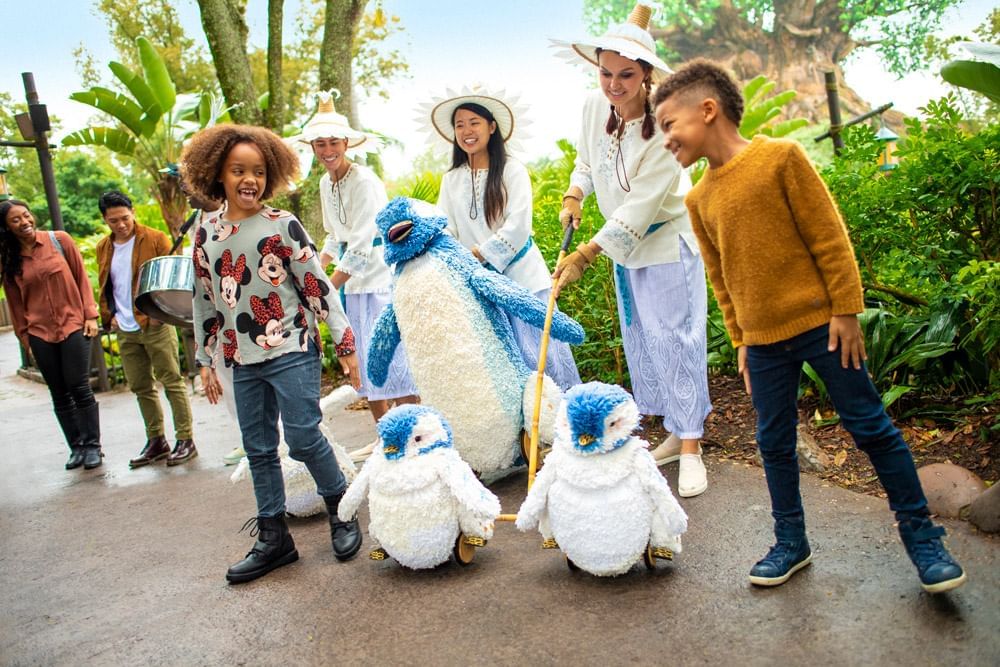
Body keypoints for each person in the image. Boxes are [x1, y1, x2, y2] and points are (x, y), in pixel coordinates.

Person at [652, 59, 966, 593]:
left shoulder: (780, 159)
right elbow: (720, 278)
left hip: (822, 326)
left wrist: (845, 310)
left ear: (708, 111)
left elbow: (829, 238)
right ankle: (791, 542)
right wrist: (741, 341)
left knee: (871, 427)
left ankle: (923, 539)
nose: (665, 140)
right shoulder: (698, 198)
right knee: (773, 442)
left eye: (668, 125)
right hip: (764, 344)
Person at [181, 123, 363, 583]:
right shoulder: (206, 235)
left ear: (270, 175)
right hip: (242, 359)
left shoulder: (281, 225)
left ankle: (341, 507)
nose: (250, 179)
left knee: (302, 437)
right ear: (217, 174)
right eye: (238, 170)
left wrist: (343, 343)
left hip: (292, 346)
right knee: (259, 449)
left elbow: (316, 286)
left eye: (259, 171)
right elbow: (205, 301)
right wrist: (205, 361)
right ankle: (273, 538)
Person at [550, 3, 712, 496]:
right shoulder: (593, 107)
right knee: (643, 337)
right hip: (625, 250)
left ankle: (692, 446)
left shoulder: (669, 131)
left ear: (646, 77)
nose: (613, 85)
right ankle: (674, 429)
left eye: (626, 75)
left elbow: (638, 210)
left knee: (676, 337)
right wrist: (575, 193)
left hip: (664, 241)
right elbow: (587, 160)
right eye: (605, 73)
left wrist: (583, 256)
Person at [429, 86, 581, 391]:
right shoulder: (451, 179)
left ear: (492, 127)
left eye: (474, 122)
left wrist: (479, 255)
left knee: (542, 360)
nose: (466, 131)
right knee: (505, 370)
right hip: (481, 288)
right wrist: (460, 262)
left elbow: (518, 226)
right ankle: (524, 437)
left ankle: (567, 426)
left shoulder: (512, 170)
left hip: (523, 279)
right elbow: (445, 230)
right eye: (459, 125)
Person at [301, 92, 420, 462]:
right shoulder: (326, 184)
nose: (327, 149)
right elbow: (334, 237)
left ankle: (415, 433)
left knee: (394, 358)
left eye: (334, 142)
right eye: (320, 144)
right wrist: (313, 275)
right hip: (351, 286)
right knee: (366, 362)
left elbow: (362, 243)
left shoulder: (364, 180)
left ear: (347, 143)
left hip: (379, 278)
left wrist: (324, 290)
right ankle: (386, 436)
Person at [95, 191, 197, 468]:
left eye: (125, 218)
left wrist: (159, 313)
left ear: (133, 212)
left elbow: (173, 275)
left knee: (171, 380)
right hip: (125, 326)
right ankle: (156, 440)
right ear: (105, 219)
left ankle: (186, 439)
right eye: (113, 220)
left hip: (154, 322)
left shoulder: (154, 238)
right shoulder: (104, 247)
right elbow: (108, 286)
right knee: (141, 386)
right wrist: (111, 315)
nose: (121, 225)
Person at [1, 199, 103, 470]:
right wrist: (26, 338)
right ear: (7, 228)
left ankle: (93, 446)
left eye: (26, 216)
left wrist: (90, 314)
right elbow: (15, 303)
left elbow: (81, 277)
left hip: (72, 324)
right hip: (39, 332)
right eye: (15, 220)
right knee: (58, 392)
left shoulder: (59, 240)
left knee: (78, 385)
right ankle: (76, 448)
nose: (24, 222)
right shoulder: (10, 261)